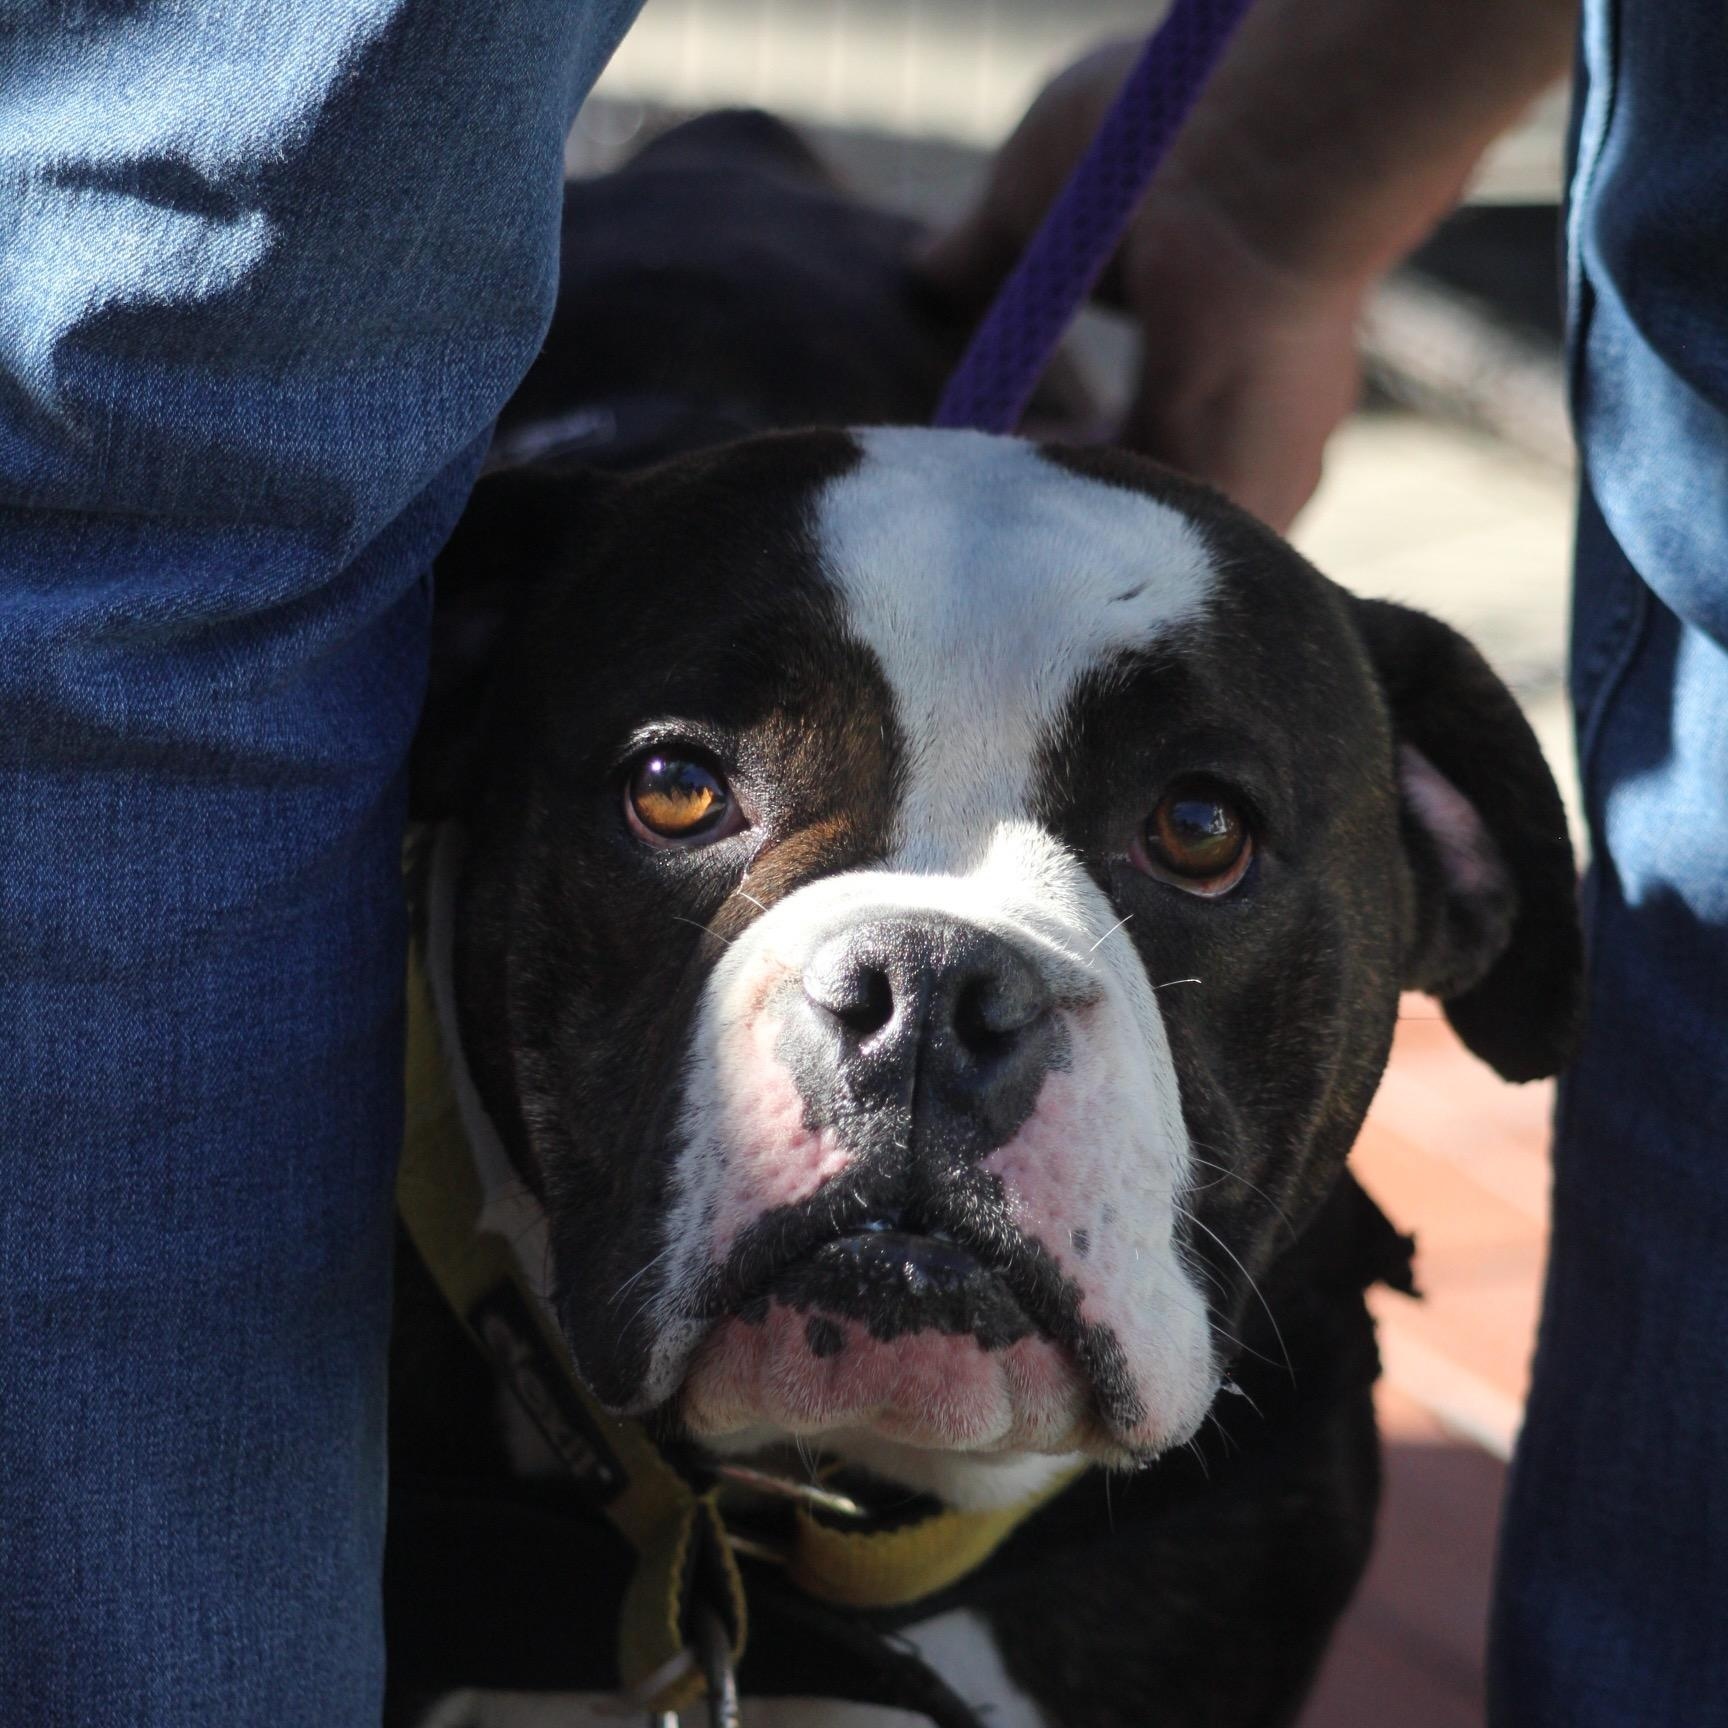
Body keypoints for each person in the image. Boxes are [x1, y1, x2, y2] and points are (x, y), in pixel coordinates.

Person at [2, 1, 1719, 1722]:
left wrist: (1283, 181)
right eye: (685, 801)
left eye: (1196, 836)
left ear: (1452, 865)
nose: (918, 1013)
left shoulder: (1237, 1505)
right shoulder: (316, 1278)